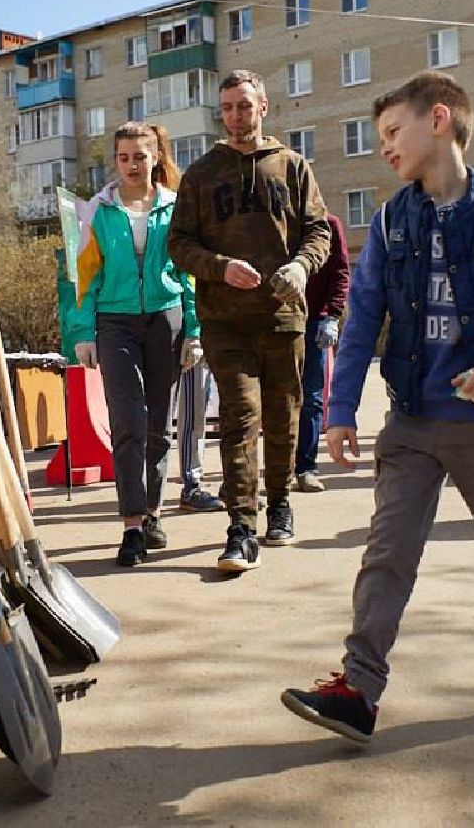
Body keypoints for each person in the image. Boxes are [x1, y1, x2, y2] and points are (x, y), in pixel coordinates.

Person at [281, 70, 474, 744]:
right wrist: (337, 410)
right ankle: (358, 689)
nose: (383, 146)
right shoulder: (391, 219)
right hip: (412, 422)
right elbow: (361, 322)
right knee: (386, 555)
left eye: (392, 132)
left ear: (438, 119)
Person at [168, 70, 331, 573]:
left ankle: (279, 502)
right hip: (225, 320)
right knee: (240, 418)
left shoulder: (293, 166)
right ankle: (241, 525)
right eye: (228, 108)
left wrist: (301, 266)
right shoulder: (201, 173)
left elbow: (319, 231)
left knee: (283, 417)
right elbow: (179, 244)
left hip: (283, 318)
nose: (236, 116)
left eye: (244, 105)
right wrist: (219, 267)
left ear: (264, 107)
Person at [65, 122, 201, 567]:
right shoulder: (98, 210)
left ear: (156, 157)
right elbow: (85, 276)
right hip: (114, 322)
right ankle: (130, 527)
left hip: (167, 320)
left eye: (140, 156)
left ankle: (155, 512)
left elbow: (188, 274)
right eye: (123, 157)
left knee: (160, 424)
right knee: (127, 421)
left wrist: (195, 331)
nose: (131, 165)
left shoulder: (175, 207)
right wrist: (83, 332)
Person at [295, 213, 351, 493]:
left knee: (312, 398)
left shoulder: (329, 223)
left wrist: (332, 315)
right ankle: (276, 469)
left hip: (315, 320)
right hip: (278, 321)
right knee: (273, 400)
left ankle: (306, 468)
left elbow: (340, 271)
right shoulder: (277, 220)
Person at [172, 359, 226, 511]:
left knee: (235, 406)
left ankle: (234, 481)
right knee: (194, 408)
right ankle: (191, 486)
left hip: (229, 339)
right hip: (197, 340)